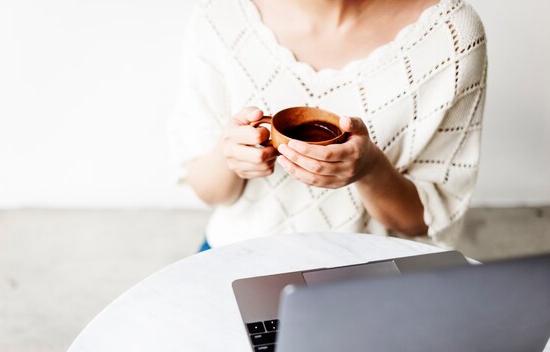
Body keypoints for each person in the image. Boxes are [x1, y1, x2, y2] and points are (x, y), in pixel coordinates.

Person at [168, 0, 487, 251]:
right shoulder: (221, 16)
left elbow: (419, 222)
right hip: (236, 256)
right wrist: (231, 155)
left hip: (364, 276)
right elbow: (209, 191)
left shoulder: (449, 36)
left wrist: (371, 168)